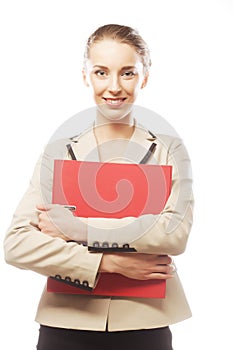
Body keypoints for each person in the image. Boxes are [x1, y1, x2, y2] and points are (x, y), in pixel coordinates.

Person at [4, 24, 194, 350]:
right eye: (102, 72)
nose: (114, 86)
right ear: (85, 76)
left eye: (128, 73)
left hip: (144, 320)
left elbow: (173, 233)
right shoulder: (61, 149)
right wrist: (109, 263)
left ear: (145, 77)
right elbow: (18, 243)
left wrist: (81, 228)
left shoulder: (168, 148)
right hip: (65, 321)